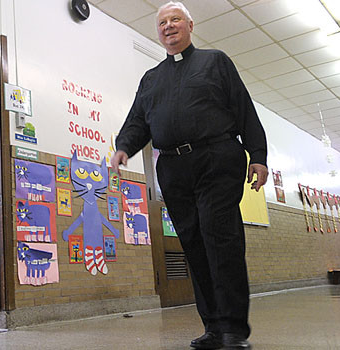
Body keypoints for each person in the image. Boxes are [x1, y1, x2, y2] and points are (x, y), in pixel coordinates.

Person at [111, 2, 268, 349]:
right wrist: (124, 146)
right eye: (162, 22)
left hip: (217, 159)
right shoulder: (151, 79)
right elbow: (138, 120)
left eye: (175, 19)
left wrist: (257, 154)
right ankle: (213, 327)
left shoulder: (216, 62)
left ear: (190, 25)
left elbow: (243, 107)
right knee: (194, 246)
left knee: (220, 239)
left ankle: (232, 330)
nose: (168, 26)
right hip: (173, 168)